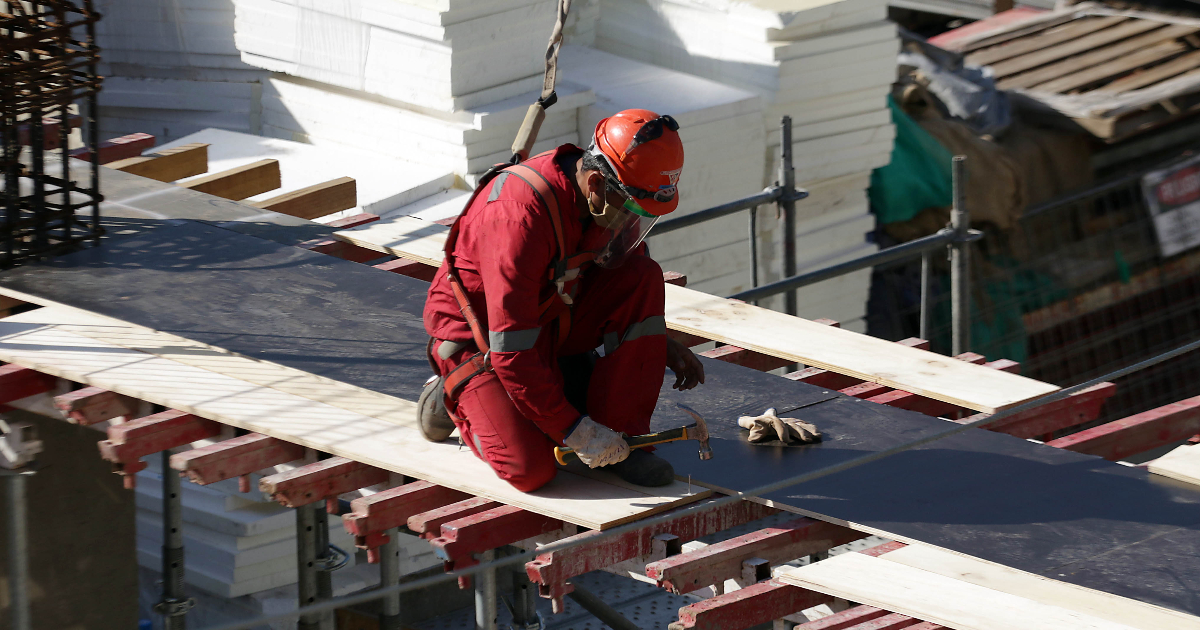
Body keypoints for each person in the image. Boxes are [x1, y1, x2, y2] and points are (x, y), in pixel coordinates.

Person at [418, 108, 705, 492]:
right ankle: (453, 394)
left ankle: (623, 441)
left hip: (550, 318)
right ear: (597, 183)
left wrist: (657, 343)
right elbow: (510, 350)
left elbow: (622, 276)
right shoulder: (517, 218)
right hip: (484, 340)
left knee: (642, 277)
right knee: (531, 469)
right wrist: (574, 431)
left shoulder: (610, 201)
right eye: (632, 210)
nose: (633, 221)